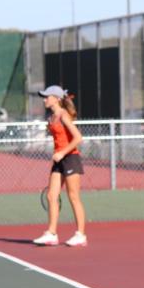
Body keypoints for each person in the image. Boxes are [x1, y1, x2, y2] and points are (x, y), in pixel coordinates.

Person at [32, 85, 87, 247]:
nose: (44, 99)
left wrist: (62, 153)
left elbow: (78, 138)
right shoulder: (52, 117)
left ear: (56, 98)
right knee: (51, 196)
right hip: (59, 160)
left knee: (73, 197)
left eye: (47, 96)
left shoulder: (63, 115)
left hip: (70, 158)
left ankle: (81, 235)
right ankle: (51, 233)